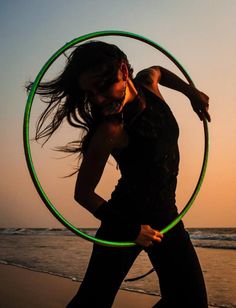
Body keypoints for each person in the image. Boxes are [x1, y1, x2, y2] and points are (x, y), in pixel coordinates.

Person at [28, 41, 210, 307]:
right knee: (93, 301)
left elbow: (158, 69)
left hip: (167, 218)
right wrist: (131, 229)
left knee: (191, 302)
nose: (98, 100)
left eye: (101, 87)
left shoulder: (148, 84)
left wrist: (192, 92)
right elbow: (83, 193)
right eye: (90, 93)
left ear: (124, 71)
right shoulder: (110, 130)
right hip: (123, 222)